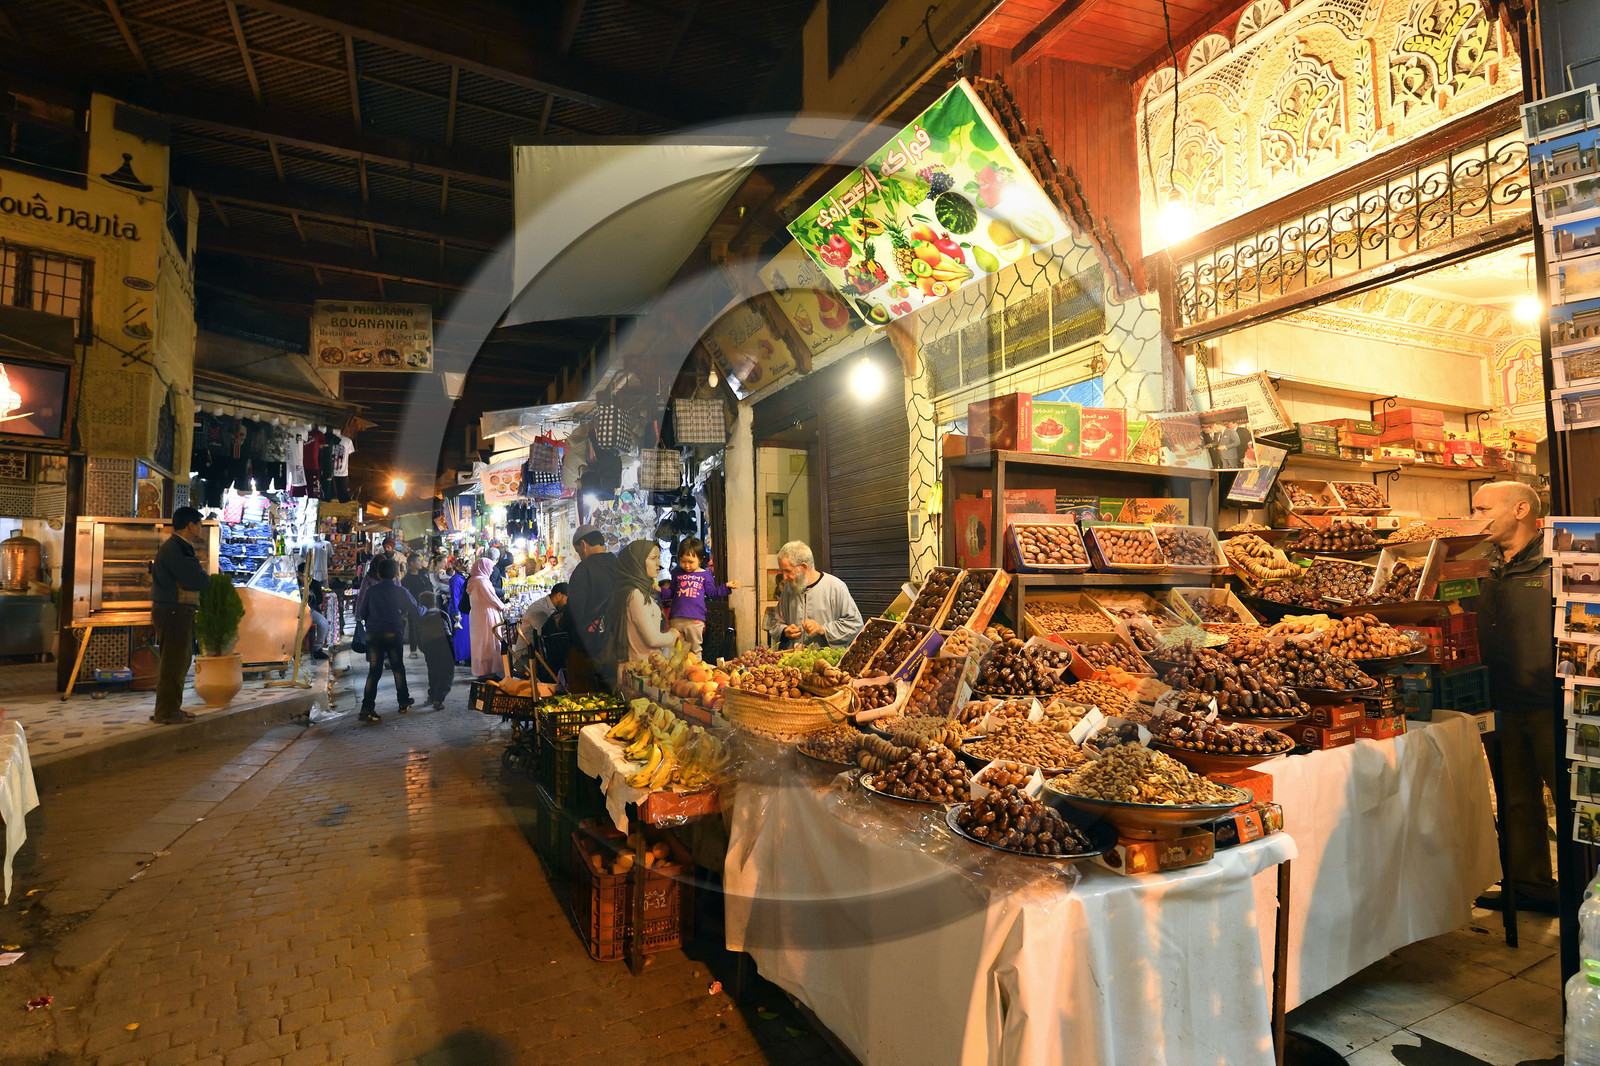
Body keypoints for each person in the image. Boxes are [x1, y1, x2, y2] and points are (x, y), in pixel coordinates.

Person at [1470, 480, 1557, 914]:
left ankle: (1589, 890)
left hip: (1551, 704)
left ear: (1521, 510)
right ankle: (1530, 887)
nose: (1475, 518)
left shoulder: (1555, 562)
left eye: (1483, 509)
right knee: (1516, 801)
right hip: (1500, 703)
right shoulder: (1481, 566)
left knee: (1575, 800)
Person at [150, 506, 211, 724]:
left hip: (175, 611)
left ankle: (170, 708)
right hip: (174, 611)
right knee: (174, 663)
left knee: (178, 662)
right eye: (199, 524)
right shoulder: (176, 548)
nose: (201, 528)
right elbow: (194, 579)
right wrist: (206, 578)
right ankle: (166, 712)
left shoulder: (179, 546)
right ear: (190, 525)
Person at [355, 557, 420, 724]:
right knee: (398, 668)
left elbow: (362, 613)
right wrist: (427, 608)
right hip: (393, 632)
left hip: (373, 634)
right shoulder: (400, 591)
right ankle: (403, 701)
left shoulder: (371, 591)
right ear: (396, 574)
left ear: (378, 574)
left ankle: (366, 708)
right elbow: (415, 610)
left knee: (374, 671)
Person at [766, 540, 863, 650]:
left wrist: (823, 629)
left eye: (788, 571)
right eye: (782, 572)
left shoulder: (835, 587)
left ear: (804, 567)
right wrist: (784, 631)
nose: (784, 577)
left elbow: (855, 625)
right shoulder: (788, 590)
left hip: (826, 659)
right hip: (794, 659)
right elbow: (775, 624)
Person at [606, 539, 678, 684]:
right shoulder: (635, 595)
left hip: (644, 670)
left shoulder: (639, 592)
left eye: (658, 558)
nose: (659, 563)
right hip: (639, 673)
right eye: (653, 558)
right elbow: (652, 639)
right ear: (637, 563)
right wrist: (673, 635)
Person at [565, 525, 618, 692]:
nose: (580, 556)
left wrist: (561, 621)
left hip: (588, 648)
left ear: (584, 544)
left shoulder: (584, 569)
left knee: (584, 697)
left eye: (578, 551)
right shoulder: (618, 565)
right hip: (615, 647)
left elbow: (574, 611)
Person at [663, 537, 738, 655]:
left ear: (701, 559)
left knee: (695, 649)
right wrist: (659, 590)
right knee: (677, 652)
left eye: (690, 562)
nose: (686, 565)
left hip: (695, 621)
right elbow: (671, 593)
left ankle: (696, 666)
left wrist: (726, 586)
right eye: (683, 561)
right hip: (676, 619)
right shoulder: (677, 574)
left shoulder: (705, 575)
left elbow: (713, 593)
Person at [466, 555, 507, 680]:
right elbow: (491, 597)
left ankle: (483, 670)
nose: (491, 570)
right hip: (486, 616)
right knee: (487, 643)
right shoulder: (481, 581)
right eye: (490, 568)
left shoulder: (474, 580)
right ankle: (487, 670)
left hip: (478, 615)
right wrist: (502, 606)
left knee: (481, 644)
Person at [415, 590, 455, 709]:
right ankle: (438, 698)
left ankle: (432, 695)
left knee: (433, 671)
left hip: (428, 645)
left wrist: (423, 648)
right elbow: (450, 630)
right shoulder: (442, 614)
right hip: (444, 643)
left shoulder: (420, 617)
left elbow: (417, 636)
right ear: (435, 603)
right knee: (447, 671)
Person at [401, 553, 433, 659]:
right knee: (413, 628)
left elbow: (430, 587)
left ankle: (428, 649)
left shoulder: (423, 575)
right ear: (412, 563)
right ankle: (413, 650)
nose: (421, 563)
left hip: (427, 605)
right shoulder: (406, 579)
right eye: (418, 561)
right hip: (414, 607)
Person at [297, 562, 331, 660]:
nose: (302, 578)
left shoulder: (315, 584)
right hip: (295, 611)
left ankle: (318, 649)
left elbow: (319, 601)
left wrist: (310, 595)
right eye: (300, 576)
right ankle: (294, 649)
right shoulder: (295, 583)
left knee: (323, 623)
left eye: (304, 576)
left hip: (310, 610)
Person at [449, 559, 472, 665]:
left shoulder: (463, 577)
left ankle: (466, 656)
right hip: (459, 610)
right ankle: (458, 657)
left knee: (465, 635)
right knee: (459, 635)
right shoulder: (456, 579)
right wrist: (457, 612)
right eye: (469, 564)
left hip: (463, 609)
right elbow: (455, 596)